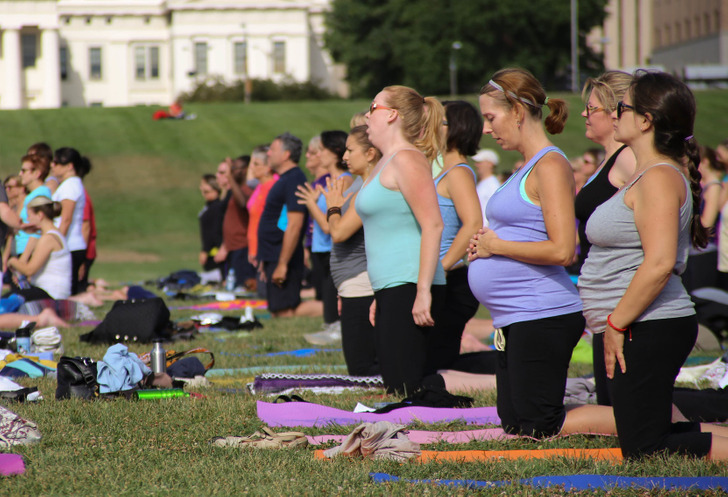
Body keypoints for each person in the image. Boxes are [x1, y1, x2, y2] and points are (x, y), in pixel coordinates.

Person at [578, 71, 728, 460]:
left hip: (648, 324)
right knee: (647, 433)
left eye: (622, 108)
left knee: (645, 448)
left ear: (645, 121)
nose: (615, 115)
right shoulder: (645, 174)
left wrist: (616, 323)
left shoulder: (658, 178)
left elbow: (659, 263)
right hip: (637, 323)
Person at [468, 68, 614, 438]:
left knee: (540, 425)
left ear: (517, 111)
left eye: (490, 117)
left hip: (542, 313)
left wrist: (495, 246)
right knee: (515, 424)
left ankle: (650, 423)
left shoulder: (550, 165)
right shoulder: (525, 168)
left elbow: (564, 249)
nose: (486, 129)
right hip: (515, 317)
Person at [355, 85, 446, 394]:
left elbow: (433, 224)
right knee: (397, 387)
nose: (367, 115)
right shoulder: (385, 161)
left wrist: (422, 292)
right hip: (391, 287)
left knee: (409, 390)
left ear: (391, 114)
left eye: (373, 107)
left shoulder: (407, 159)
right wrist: (379, 294)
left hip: (409, 285)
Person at [572, 70, 638, 405]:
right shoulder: (606, 162)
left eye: (592, 107)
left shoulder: (628, 158)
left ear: (615, 113)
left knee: (626, 410)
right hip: (604, 301)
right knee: (611, 403)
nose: (584, 113)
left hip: (623, 298)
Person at [319, 125, 381, 374]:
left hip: (362, 283)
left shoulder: (367, 188)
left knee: (362, 368)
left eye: (350, 150)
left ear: (370, 153)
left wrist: (333, 207)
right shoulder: (361, 185)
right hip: (352, 283)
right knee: (360, 365)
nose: (344, 157)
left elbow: (338, 232)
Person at [296, 130, 351, 337]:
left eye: (322, 150)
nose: (318, 155)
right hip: (321, 246)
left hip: (332, 246)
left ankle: (335, 328)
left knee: (331, 290)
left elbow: (329, 224)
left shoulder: (344, 180)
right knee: (325, 291)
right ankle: (331, 326)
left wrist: (311, 204)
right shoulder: (330, 181)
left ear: (335, 152)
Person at [257, 132, 312, 317]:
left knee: (285, 311)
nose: (269, 154)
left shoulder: (294, 179)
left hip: (283, 255)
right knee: (278, 310)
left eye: (272, 149)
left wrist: (282, 264)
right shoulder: (286, 179)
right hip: (274, 253)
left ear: (286, 154)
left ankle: (334, 312)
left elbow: (294, 225)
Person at [7, 196, 71, 301]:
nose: (27, 219)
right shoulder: (52, 235)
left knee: (7, 301)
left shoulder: (48, 239)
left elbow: (29, 270)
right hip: (48, 291)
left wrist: (12, 261)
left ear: (40, 215)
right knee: (9, 298)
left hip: (51, 293)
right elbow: (24, 266)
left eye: (29, 215)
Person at [214, 156, 257, 291]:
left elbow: (243, 203)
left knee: (244, 287)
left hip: (242, 245)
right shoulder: (237, 189)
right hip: (235, 246)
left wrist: (230, 178)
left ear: (244, 170)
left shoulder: (248, 189)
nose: (231, 172)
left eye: (234, 168)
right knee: (236, 286)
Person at [50, 147, 87, 295]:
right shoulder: (69, 184)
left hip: (70, 245)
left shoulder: (70, 185)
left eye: (56, 162)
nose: (52, 165)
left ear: (69, 166)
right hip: (70, 244)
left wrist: (56, 244)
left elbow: (65, 219)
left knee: (65, 293)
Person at [246, 145, 277, 297]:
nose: (251, 167)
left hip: (267, 249)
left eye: (256, 164)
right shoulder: (260, 186)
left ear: (268, 167)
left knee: (267, 295)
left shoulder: (272, 187)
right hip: (257, 249)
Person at [198, 174, 225, 282]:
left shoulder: (217, 207)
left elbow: (214, 231)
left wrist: (205, 250)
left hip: (214, 252)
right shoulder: (209, 205)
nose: (201, 188)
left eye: (203, 185)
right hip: (210, 251)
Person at [472, 148, 500, 224]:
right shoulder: (482, 183)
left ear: (490, 164)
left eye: (480, 162)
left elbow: (494, 211)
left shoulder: (492, 185)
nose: (476, 165)